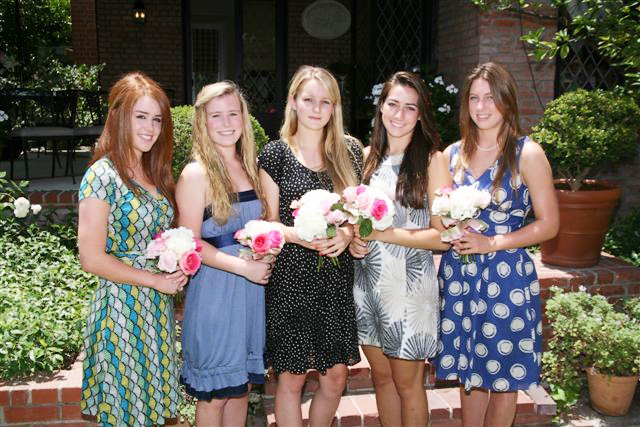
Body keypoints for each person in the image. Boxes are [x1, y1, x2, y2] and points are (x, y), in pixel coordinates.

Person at [436, 62, 559, 427]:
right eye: (474, 98)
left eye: (490, 97)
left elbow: (550, 224)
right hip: (460, 277)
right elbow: (440, 218)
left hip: (506, 278)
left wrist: (492, 242)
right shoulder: (451, 155)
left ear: (507, 101)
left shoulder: (528, 154)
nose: (481, 106)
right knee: (469, 374)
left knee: (503, 378)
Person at [77, 72, 187, 425]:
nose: (150, 127)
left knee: (151, 414)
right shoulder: (102, 175)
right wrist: (154, 280)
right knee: (125, 413)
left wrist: (176, 261)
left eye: (156, 119)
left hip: (154, 312)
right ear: (118, 117)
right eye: (140, 116)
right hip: (120, 311)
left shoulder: (155, 172)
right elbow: (91, 258)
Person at [258, 65, 363, 425]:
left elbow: (357, 214)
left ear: (334, 107)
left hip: (334, 279)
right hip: (290, 278)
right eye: (308, 99)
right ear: (293, 103)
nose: (316, 108)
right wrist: (299, 233)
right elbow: (269, 223)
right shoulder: (274, 155)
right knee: (292, 377)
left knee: (335, 378)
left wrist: (347, 234)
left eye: (325, 101)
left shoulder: (350, 152)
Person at [348, 71, 452, 426]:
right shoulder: (366, 159)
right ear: (380, 108)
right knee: (381, 378)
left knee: (408, 385)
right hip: (368, 288)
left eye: (410, 108)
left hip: (409, 289)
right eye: (393, 104)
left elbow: (443, 236)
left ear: (420, 115)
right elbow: (356, 223)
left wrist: (383, 234)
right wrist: (356, 241)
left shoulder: (431, 160)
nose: (399, 114)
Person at [175, 82, 271, 427]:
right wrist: (242, 267)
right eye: (217, 115)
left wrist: (267, 253)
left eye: (233, 114)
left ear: (245, 119)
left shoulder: (252, 167)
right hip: (216, 293)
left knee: (240, 389)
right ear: (202, 121)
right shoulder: (195, 173)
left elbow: (262, 227)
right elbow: (190, 242)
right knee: (215, 395)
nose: (227, 122)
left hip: (250, 295)